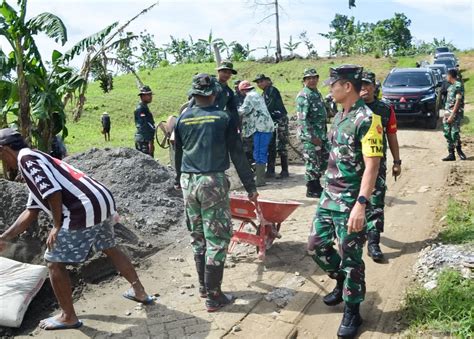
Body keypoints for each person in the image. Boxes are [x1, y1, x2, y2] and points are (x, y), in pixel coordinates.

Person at [0, 128, 152, 331]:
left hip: (81, 209)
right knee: (109, 246)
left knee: (54, 262)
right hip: (100, 201)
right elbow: (32, 210)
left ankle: (68, 316)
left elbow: (53, 192)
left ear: (4, 149)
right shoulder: (36, 156)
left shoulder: (26, 161)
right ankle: (139, 291)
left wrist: (57, 225)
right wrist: (5, 237)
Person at [307, 65, 383, 338]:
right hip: (329, 197)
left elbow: (372, 165)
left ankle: (353, 310)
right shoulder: (340, 116)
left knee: (351, 257)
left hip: (351, 200)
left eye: (333, 84)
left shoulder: (368, 119)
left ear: (347, 86)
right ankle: (340, 280)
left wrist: (361, 204)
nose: (329, 88)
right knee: (316, 246)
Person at [174, 74, 257, 312]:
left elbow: (178, 153)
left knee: (197, 235)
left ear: (194, 94)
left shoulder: (182, 119)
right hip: (212, 182)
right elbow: (237, 154)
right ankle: (214, 295)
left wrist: (178, 179)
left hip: (188, 181)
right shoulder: (224, 118)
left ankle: (203, 287)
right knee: (217, 238)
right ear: (213, 93)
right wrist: (250, 186)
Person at [360, 71, 401, 262]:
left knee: (375, 202)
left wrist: (397, 161)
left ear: (375, 87)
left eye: (367, 85)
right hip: (354, 165)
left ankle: (374, 242)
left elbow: (391, 135)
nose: (364, 89)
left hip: (377, 164)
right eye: (360, 85)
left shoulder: (385, 109)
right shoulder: (351, 107)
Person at [296, 68, 329, 198]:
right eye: (309, 78)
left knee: (323, 160)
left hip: (321, 134)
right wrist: (312, 137)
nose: (312, 80)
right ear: (304, 81)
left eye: (314, 78)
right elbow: (302, 119)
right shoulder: (304, 95)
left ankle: (317, 185)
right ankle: (312, 188)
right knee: (312, 161)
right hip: (311, 136)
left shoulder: (316, 93)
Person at [238, 80, 275, 187]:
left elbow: (244, 110)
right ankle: (260, 178)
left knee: (259, 153)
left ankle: (260, 180)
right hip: (267, 127)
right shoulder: (258, 95)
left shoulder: (249, 96)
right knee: (262, 152)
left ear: (243, 90)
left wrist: (231, 112)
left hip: (260, 128)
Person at [253, 73, 290, 179]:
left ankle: (284, 170)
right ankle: (270, 170)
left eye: (261, 81)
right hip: (270, 121)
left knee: (281, 144)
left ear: (267, 81)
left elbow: (269, 106)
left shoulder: (271, 90)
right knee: (271, 145)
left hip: (279, 120)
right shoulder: (264, 93)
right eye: (258, 82)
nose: (259, 84)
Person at [442, 69, 466, 161]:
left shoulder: (458, 86)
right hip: (448, 112)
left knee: (454, 133)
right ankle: (451, 154)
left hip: (454, 113)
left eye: (446, 76)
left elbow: (458, 101)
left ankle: (459, 151)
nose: (446, 77)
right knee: (447, 132)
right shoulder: (450, 86)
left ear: (450, 76)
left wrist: (452, 114)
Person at [134, 85, 156, 157]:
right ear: (143, 96)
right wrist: (150, 141)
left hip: (145, 139)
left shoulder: (144, 107)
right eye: (149, 95)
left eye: (150, 94)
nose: (151, 97)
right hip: (144, 140)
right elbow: (144, 126)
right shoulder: (141, 109)